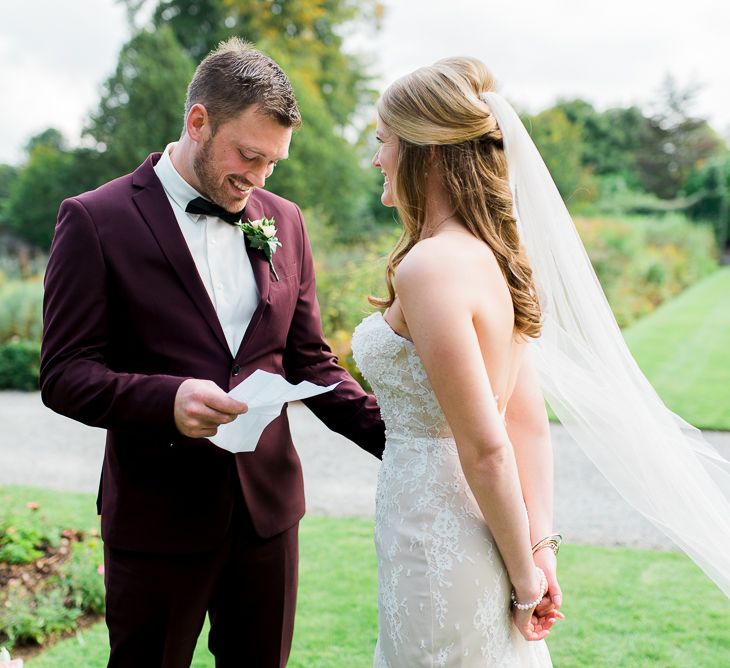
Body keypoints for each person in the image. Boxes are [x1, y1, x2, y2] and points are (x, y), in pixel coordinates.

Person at [354, 56, 730, 667]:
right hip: (477, 532)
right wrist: (538, 546)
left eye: (383, 140)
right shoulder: (496, 260)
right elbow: (526, 418)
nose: (377, 158)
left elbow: (488, 447)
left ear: (425, 149)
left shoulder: (429, 267)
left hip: (440, 537)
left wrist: (528, 582)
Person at [40, 38, 385, 668]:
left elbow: (309, 361)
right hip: (157, 518)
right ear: (198, 121)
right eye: (247, 156)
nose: (257, 179)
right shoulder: (95, 219)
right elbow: (64, 375)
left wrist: (405, 440)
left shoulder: (284, 218)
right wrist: (165, 400)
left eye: (272, 164)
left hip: (267, 518)